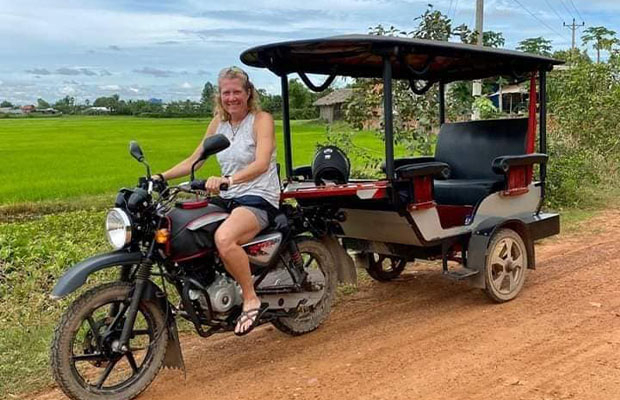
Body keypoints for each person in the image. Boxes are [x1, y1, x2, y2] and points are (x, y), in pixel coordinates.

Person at [154, 66, 280, 336]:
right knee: (188, 229)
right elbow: (195, 161)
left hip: (258, 196)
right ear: (219, 96)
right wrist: (159, 177)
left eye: (237, 92)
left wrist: (229, 180)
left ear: (248, 93)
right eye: (226, 92)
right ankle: (210, 286)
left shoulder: (261, 120)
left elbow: (261, 163)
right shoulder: (218, 123)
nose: (231, 97)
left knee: (224, 239)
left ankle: (250, 298)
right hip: (228, 197)